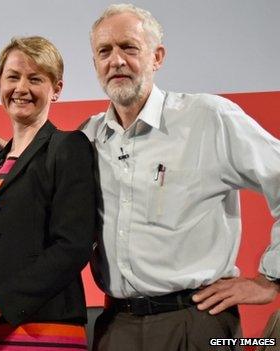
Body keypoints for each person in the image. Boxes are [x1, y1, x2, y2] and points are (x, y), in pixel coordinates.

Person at [83, 4, 280, 350]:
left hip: (195, 323)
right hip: (116, 327)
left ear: (157, 57)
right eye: (104, 51)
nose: (116, 60)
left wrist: (272, 280)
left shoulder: (208, 117)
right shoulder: (90, 135)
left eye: (129, 47)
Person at [0, 36, 96, 351]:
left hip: (45, 329)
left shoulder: (69, 147)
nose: (21, 88)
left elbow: (73, 245)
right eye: (12, 77)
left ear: (57, 89)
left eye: (35, 78)